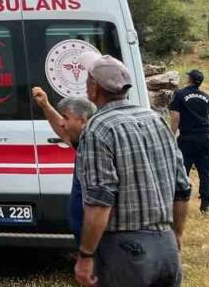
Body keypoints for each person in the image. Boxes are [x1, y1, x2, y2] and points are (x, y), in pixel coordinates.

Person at [74, 56, 191, 287]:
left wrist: (86, 255)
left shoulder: (98, 128)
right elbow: (182, 188)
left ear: (94, 86)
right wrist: (176, 235)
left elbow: (100, 201)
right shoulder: (156, 120)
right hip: (166, 246)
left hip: (126, 253)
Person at [32, 86, 97, 242]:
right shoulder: (82, 142)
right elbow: (63, 131)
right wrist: (45, 105)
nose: (62, 123)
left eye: (66, 118)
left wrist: (88, 250)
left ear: (83, 120)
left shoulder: (96, 148)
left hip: (95, 241)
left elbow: (101, 204)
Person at [169, 69, 209, 214]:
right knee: (205, 172)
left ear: (189, 79)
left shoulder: (180, 94)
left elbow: (175, 118)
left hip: (187, 139)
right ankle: (205, 206)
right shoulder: (206, 97)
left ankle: (179, 203)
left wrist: (170, 137)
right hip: (205, 138)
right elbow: (206, 115)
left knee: (182, 172)